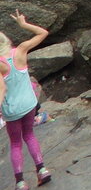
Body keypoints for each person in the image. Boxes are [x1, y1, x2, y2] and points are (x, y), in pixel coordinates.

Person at [2, 11, 51, 189]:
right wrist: (24, 24)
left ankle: (21, 182)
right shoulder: (21, 50)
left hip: (12, 111)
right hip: (29, 105)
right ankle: (42, 169)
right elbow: (43, 33)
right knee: (29, 135)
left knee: (15, 143)